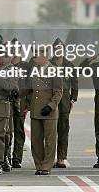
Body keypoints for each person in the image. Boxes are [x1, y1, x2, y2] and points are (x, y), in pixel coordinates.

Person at [28, 46, 63, 176]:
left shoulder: (54, 70)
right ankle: (39, 164)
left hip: (49, 112)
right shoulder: (34, 70)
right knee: (36, 140)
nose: (34, 57)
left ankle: (46, 166)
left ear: (44, 55)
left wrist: (51, 106)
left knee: (49, 140)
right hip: (36, 110)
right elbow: (30, 89)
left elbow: (58, 92)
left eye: (36, 54)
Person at [50, 38, 78, 168]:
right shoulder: (48, 64)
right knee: (50, 130)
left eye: (60, 49)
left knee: (63, 129)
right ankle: (50, 158)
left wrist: (73, 99)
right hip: (51, 100)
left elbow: (75, 83)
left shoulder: (69, 65)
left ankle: (61, 158)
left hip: (65, 100)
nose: (58, 51)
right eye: (56, 49)